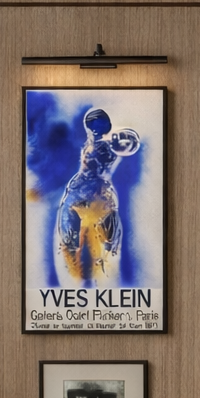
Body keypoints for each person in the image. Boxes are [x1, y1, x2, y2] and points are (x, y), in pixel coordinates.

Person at [55, 108, 141, 286]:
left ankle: (98, 264)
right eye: (123, 138)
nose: (122, 141)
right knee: (70, 236)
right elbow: (94, 124)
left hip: (97, 195)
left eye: (127, 143)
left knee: (106, 239)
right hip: (83, 192)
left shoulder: (106, 150)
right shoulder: (98, 141)